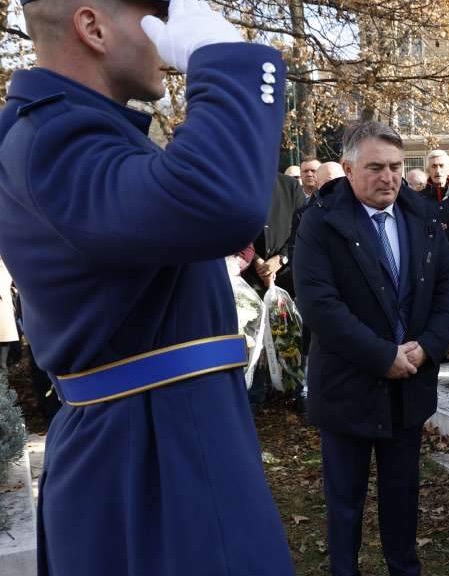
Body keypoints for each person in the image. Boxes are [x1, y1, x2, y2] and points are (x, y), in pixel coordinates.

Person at [0, 1, 293, 575]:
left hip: (157, 437)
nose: (167, 38)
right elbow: (221, 201)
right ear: (92, 26)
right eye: (153, 14)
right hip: (156, 457)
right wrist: (229, 61)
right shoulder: (55, 139)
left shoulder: (67, 130)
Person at [293, 120, 449, 576]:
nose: (388, 177)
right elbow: (320, 306)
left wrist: (426, 348)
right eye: (375, 168)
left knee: (402, 498)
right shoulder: (319, 222)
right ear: (347, 170)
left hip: (407, 389)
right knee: (344, 503)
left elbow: (448, 286)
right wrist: (381, 356)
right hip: (347, 389)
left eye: (394, 166)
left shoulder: (423, 216)